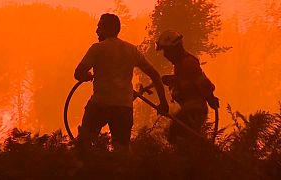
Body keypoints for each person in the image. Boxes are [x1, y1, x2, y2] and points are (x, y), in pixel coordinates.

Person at [74, 13, 169, 153]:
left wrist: (87, 76)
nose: (96, 31)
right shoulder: (131, 50)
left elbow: (78, 73)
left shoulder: (97, 48)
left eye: (99, 27)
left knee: (84, 145)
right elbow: (155, 75)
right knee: (122, 151)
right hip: (123, 107)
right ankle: (122, 172)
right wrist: (163, 103)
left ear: (107, 29)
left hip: (100, 104)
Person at [156, 30, 219, 144]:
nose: (165, 55)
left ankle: (187, 159)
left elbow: (202, 82)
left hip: (195, 109)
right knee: (180, 137)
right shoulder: (180, 65)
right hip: (189, 109)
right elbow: (186, 81)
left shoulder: (188, 62)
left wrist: (210, 98)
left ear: (175, 49)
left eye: (166, 50)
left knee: (177, 136)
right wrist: (171, 80)